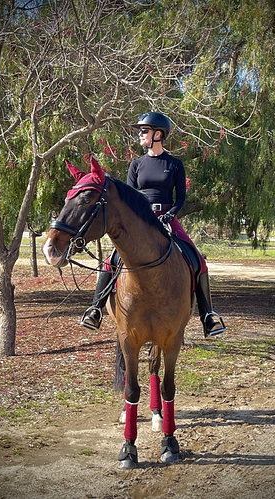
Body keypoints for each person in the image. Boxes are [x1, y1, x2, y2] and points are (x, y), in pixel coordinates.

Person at [80, 111, 225, 338]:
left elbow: (181, 198)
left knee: (197, 259)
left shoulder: (174, 164)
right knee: (111, 261)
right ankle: (95, 309)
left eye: (144, 131)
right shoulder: (136, 165)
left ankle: (208, 315)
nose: (140, 134)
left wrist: (170, 215)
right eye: (140, 131)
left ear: (158, 134)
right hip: (141, 221)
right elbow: (129, 198)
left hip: (168, 217)